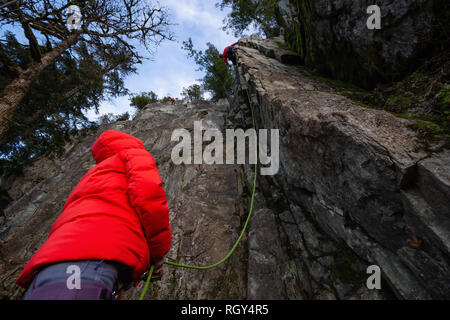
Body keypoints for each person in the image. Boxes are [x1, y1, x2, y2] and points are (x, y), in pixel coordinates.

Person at [15, 130, 171, 300]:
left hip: (47, 267)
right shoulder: (132, 155)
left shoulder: (94, 174)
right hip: (89, 262)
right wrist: (158, 253)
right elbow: (149, 195)